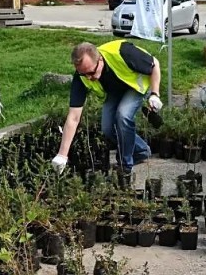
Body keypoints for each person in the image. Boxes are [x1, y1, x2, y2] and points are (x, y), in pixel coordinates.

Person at [52, 40, 162, 175]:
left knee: (123, 115)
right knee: (107, 127)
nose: (89, 77)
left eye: (91, 72)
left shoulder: (123, 52)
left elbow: (155, 64)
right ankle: (141, 150)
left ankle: (125, 165)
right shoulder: (81, 77)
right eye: (84, 74)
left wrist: (155, 94)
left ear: (100, 60)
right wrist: (62, 155)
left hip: (135, 85)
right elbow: (73, 117)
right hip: (115, 90)